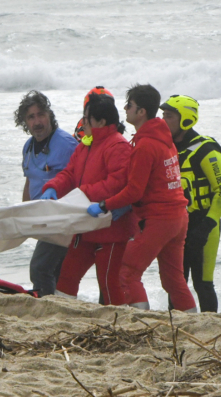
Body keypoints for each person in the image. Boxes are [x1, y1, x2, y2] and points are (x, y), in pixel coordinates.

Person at [87, 84, 197, 312]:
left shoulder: (145, 145)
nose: (125, 109)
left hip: (160, 219)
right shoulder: (163, 138)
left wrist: (104, 204)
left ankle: (140, 322)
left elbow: (134, 192)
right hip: (178, 218)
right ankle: (194, 324)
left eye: (130, 105)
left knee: (127, 271)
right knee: (173, 280)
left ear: (141, 112)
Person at [39, 93, 138, 305]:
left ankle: (118, 324)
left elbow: (117, 183)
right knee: (67, 276)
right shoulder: (86, 145)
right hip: (84, 227)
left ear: (101, 121)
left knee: (109, 282)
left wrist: (84, 192)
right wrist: (52, 187)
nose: (83, 121)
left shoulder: (118, 145)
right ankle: (63, 314)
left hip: (111, 228)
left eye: (87, 117)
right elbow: (69, 173)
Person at [160, 95, 221, 312]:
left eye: (169, 116)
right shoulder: (166, 148)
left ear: (186, 120)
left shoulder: (205, 150)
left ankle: (211, 328)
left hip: (204, 225)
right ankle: (176, 328)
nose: (163, 121)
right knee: (175, 283)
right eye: (163, 115)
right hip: (177, 225)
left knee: (203, 284)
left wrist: (206, 226)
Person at [15, 91, 78, 297]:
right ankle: (58, 306)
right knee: (56, 270)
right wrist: (25, 213)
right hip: (42, 219)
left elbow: (81, 179)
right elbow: (30, 180)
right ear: (25, 122)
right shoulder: (29, 146)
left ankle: (45, 307)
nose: (37, 121)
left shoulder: (67, 144)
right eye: (31, 117)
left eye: (41, 114)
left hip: (63, 219)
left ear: (49, 115)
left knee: (40, 267)